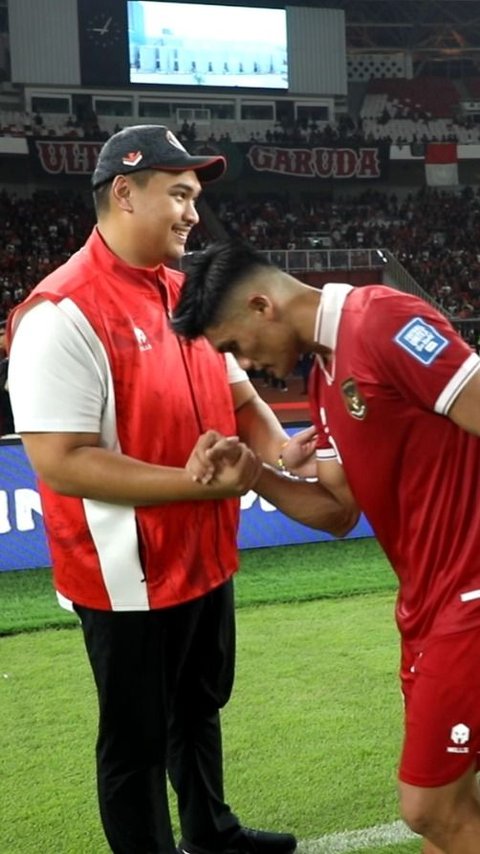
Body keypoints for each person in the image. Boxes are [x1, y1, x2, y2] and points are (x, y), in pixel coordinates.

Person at [7, 126, 355, 854]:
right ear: (124, 193)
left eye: (195, 195)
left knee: (198, 705)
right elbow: (60, 461)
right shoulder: (59, 312)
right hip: (125, 576)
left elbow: (240, 399)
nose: (194, 211)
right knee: (133, 740)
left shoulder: (186, 289)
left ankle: (210, 830)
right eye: (180, 193)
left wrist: (277, 447)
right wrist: (195, 485)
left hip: (205, 554)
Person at [171, 239, 480, 854]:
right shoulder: (324, 378)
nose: (247, 365)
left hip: (470, 597)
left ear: (262, 306)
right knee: (453, 810)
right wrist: (257, 476)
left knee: (428, 806)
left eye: (235, 347)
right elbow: (339, 512)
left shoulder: (384, 320)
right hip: (425, 603)